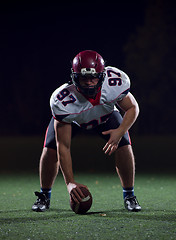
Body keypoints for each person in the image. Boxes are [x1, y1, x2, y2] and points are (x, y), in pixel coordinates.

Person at [32, 50, 141, 212]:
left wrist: (119, 132)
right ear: (75, 77)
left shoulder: (114, 82)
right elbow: (64, 147)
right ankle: (44, 196)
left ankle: (129, 195)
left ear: (102, 76)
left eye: (93, 77)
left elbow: (133, 107)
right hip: (74, 121)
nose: (89, 83)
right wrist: (70, 182)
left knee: (124, 145)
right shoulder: (63, 101)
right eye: (84, 78)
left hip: (106, 116)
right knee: (50, 149)